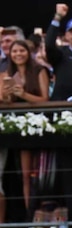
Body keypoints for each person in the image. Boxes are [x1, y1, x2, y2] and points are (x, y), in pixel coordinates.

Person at [0, 39, 50, 214]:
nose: (18, 54)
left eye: (21, 51)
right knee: (25, 175)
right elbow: (6, 102)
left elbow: (45, 99)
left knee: (41, 173)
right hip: (19, 130)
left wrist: (24, 94)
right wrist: (6, 96)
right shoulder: (7, 73)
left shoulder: (39, 70)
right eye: (14, 52)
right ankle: (30, 215)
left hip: (40, 126)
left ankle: (41, 212)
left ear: (28, 53)